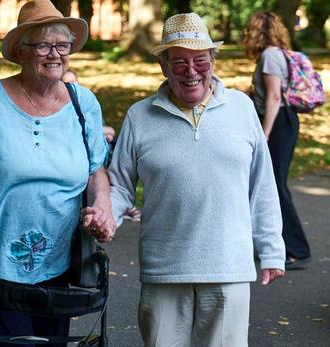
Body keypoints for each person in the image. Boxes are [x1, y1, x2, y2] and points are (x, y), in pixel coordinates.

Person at [91, 13, 286, 346]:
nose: (191, 71)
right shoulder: (141, 115)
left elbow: (262, 184)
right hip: (165, 268)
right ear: (164, 67)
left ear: (212, 60)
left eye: (200, 60)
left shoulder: (241, 108)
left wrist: (271, 250)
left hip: (228, 266)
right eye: (179, 62)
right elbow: (121, 185)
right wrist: (106, 215)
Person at [0, 0, 115, 343]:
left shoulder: (84, 103)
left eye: (62, 45)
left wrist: (104, 203)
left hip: (61, 262)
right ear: (21, 51)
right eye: (43, 45)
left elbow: (96, 169)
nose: (55, 54)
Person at [243, 11, 311, 270]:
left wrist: (264, 133)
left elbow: (274, 98)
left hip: (278, 123)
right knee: (270, 185)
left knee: (276, 187)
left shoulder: (271, 55)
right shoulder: (273, 54)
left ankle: (297, 249)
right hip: (280, 120)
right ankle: (279, 245)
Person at [62, 69, 142, 222]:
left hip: (99, 157)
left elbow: (105, 131)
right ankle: (118, 207)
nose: (70, 86)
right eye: (66, 83)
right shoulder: (59, 110)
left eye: (73, 82)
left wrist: (104, 134)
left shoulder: (85, 105)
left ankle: (116, 206)